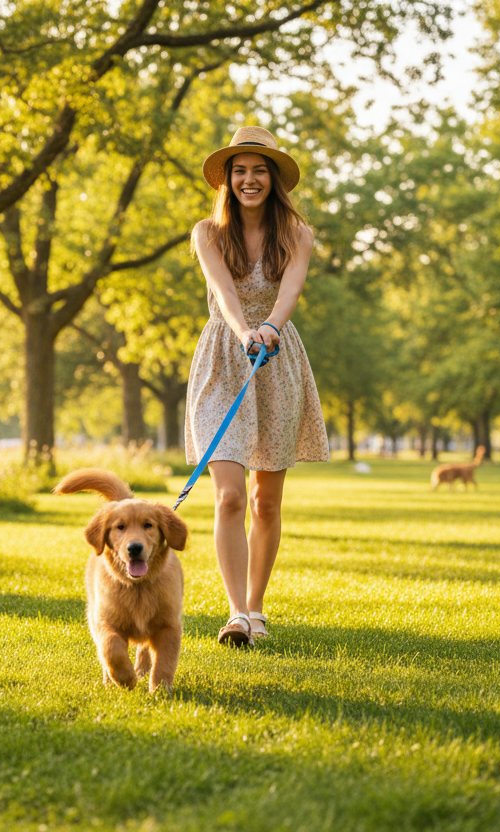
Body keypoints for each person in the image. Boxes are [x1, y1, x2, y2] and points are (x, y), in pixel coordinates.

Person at [186, 126, 329, 647]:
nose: (249, 179)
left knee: (264, 501)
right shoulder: (207, 232)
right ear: (227, 178)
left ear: (274, 179)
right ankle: (235, 615)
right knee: (228, 497)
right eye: (240, 170)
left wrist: (268, 326)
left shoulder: (297, 235)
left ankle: (257, 608)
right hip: (223, 360)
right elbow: (224, 293)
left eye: (259, 170)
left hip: (277, 359)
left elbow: (290, 291)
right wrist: (245, 329)